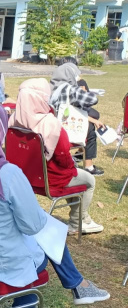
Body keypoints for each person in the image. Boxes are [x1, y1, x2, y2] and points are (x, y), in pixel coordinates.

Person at [0, 99, 110, 308]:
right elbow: (32, 226)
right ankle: (77, 284)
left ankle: (79, 284)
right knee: (46, 235)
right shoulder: (6, 174)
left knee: (43, 225)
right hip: (0, 264)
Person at [9, 79, 102, 235]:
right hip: (51, 179)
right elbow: (64, 159)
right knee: (89, 180)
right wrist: (73, 165)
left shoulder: (13, 121)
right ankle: (79, 221)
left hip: (24, 177)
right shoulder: (51, 124)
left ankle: (80, 218)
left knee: (78, 178)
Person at [49, 63, 103, 176]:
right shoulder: (71, 90)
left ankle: (79, 156)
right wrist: (82, 91)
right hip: (68, 129)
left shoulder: (50, 87)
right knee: (91, 130)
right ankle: (89, 166)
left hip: (53, 126)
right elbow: (93, 99)